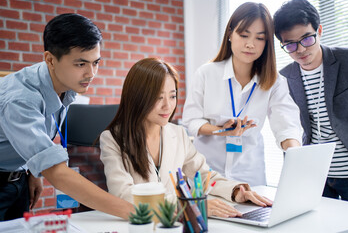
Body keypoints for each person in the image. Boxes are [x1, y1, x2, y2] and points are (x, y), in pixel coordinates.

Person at [99, 58, 273, 218]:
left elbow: (205, 176)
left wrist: (236, 191)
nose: (168, 105)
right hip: (141, 224)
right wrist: (190, 206)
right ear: (137, 98)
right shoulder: (112, 139)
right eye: (158, 97)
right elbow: (123, 195)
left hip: (175, 224)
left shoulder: (178, 133)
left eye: (173, 96)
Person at [0, 13, 133, 221]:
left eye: (96, 62)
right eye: (81, 64)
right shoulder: (20, 98)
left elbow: (38, 135)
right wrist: (132, 212)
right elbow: (57, 173)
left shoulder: (63, 85)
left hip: (18, 178)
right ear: (50, 60)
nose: (91, 73)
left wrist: (33, 173)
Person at [182, 2, 302, 186]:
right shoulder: (206, 74)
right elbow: (191, 121)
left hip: (250, 176)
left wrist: (295, 154)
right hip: (206, 173)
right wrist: (220, 131)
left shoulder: (275, 82)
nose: (250, 44)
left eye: (260, 38)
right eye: (244, 35)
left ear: (267, 43)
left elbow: (286, 123)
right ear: (230, 33)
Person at [273, 0, 348, 203]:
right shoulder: (285, 77)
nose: (301, 50)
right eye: (291, 44)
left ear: (319, 30)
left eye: (307, 39)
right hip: (315, 177)